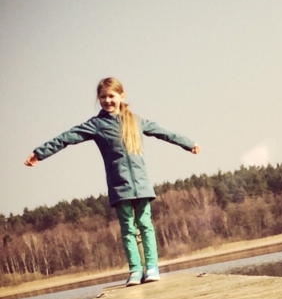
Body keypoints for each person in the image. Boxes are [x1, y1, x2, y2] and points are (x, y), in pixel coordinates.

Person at [25, 77, 200, 286]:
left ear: (121, 96)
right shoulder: (96, 125)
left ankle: (152, 266)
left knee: (145, 225)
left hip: (141, 183)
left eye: (111, 96)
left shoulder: (136, 121)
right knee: (127, 227)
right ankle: (135, 270)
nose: (107, 100)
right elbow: (66, 138)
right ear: (99, 99)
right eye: (103, 97)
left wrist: (189, 144)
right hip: (119, 185)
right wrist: (39, 153)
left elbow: (164, 133)